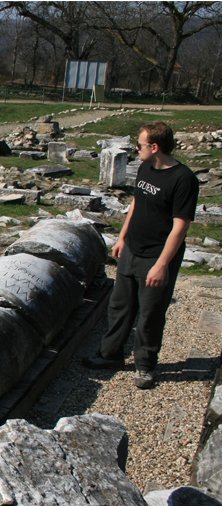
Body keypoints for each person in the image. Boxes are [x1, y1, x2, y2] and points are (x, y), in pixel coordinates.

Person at [83, 122, 199, 390]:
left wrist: (162, 264)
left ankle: (145, 365)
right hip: (132, 249)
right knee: (119, 306)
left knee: (150, 314)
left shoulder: (183, 179)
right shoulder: (146, 168)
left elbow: (180, 226)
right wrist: (122, 237)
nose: (137, 149)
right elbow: (136, 203)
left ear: (154, 147)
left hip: (156, 256)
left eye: (140, 145)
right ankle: (109, 355)